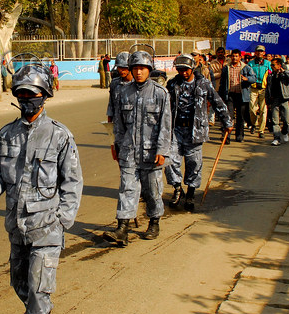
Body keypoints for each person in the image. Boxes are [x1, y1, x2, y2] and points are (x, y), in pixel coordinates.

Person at [0, 64, 83, 314]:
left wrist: (62, 221)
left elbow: (72, 182)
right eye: (21, 94)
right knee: (20, 283)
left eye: (32, 94)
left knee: (38, 289)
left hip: (46, 227)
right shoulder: (6, 134)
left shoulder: (59, 135)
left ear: (44, 95)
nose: (26, 99)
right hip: (17, 226)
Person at [102, 51, 171, 245]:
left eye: (142, 68)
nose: (138, 72)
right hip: (129, 151)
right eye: (135, 68)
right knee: (127, 188)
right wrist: (116, 145)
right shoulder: (123, 93)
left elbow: (166, 125)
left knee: (152, 190)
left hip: (152, 153)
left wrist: (162, 150)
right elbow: (119, 124)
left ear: (149, 69)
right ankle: (122, 227)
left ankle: (154, 221)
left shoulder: (160, 93)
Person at [165, 54, 233, 211]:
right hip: (175, 129)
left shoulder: (203, 84)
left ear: (192, 69)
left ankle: (190, 193)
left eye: (186, 70)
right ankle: (177, 189)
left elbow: (217, 102)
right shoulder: (173, 84)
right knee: (170, 161)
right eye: (180, 69)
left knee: (194, 163)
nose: (183, 73)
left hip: (195, 131)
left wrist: (227, 121)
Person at [219, 49, 256, 142]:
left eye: (236, 56)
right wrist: (221, 95)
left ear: (240, 57)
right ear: (231, 57)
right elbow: (222, 82)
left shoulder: (245, 67)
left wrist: (247, 79)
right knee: (228, 117)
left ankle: (239, 135)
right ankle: (226, 136)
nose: (234, 58)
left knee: (240, 117)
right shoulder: (226, 68)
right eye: (233, 56)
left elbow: (254, 78)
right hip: (230, 95)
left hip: (241, 95)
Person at [265, 57, 289, 146]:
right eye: (271, 65)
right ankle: (276, 138)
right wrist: (267, 100)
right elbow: (268, 88)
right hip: (274, 99)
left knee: (286, 120)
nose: (272, 67)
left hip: (284, 99)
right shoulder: (270, 76)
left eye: (273, 65)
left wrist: (284, 71)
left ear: (279, 65)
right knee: (275, 121)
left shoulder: (284, 75)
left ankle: (285, 131)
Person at [248, 45, 271, 138]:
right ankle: (253, 124)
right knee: (252, 109)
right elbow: (247, 74)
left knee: (263, 110)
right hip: (253, 89)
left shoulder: (268, 64)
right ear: (255, 52)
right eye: (258, 51)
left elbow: (270, 74)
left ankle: (261, 130)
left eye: (261, 51)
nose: (259, 53)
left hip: (263, 89)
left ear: (264, 53)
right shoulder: (250, 64)